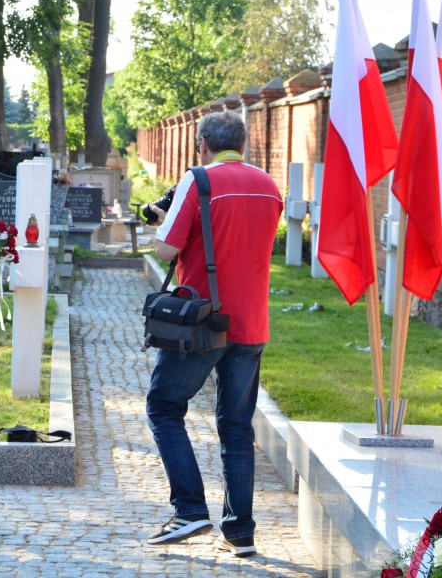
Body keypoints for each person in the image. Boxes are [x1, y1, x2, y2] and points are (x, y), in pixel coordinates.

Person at [144, 110, 282, 557]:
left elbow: (167, 247)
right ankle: (240, 531)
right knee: (237, 429)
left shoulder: (199, 179)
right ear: (243, 142)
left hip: (202, 322)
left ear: (201, 142)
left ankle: (190, 509)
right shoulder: (269, 186)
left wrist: (161, 221)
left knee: (164, 406)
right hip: (252, 321)